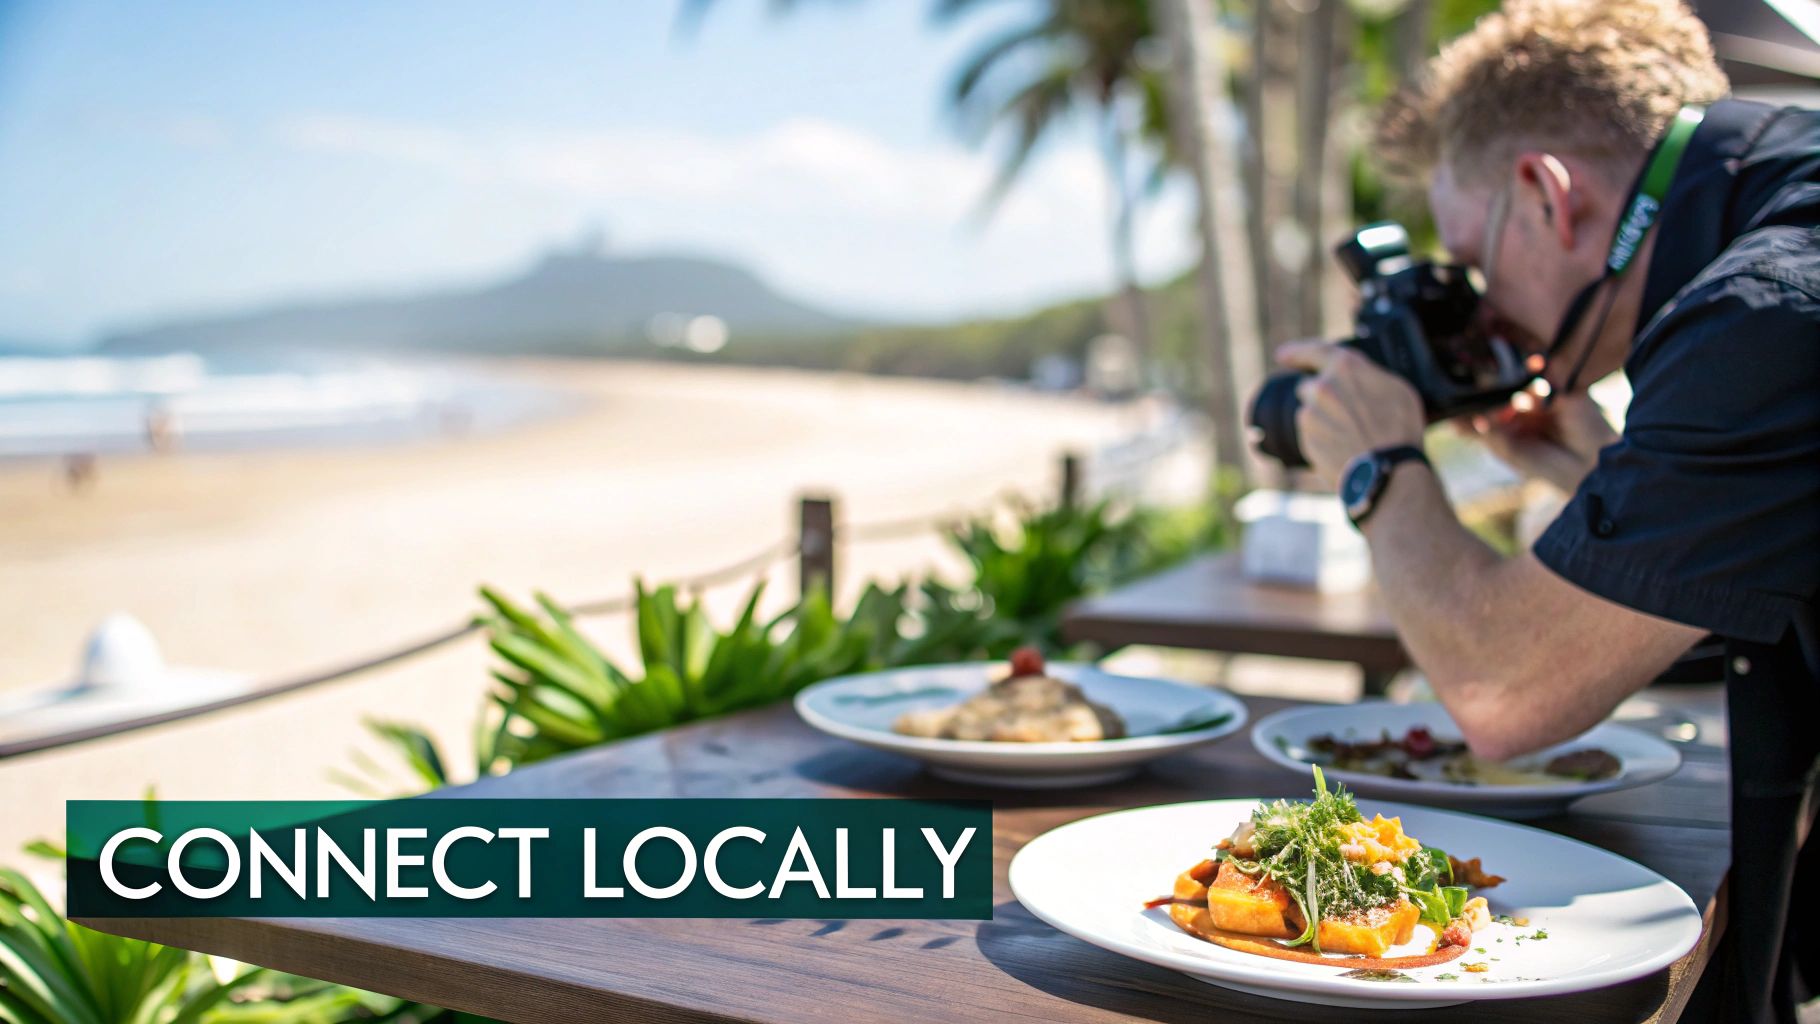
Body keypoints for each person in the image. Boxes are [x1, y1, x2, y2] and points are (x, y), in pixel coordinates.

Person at [1271, 1, 1820, 1020]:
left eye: (1477, 269)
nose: (1483, 318)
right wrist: (1598, 471)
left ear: (1545, 195)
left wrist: (1375, 460)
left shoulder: (1762, 310)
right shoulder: (1781, 219)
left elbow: (1501, 692)